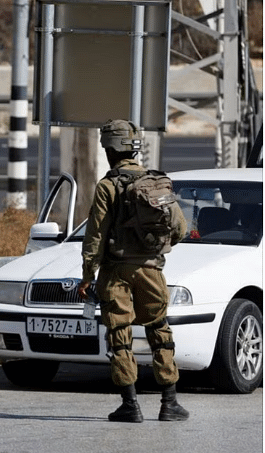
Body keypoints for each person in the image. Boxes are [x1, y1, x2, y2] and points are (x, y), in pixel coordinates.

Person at [78, 119, 189, 423]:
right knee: (159, 331)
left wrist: (88, 275)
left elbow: (95, 237)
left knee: (119, 334)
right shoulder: (158, 182)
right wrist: (153, 250)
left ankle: (131, 406)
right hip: (152, 269)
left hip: (116, 271)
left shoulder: (107, 186)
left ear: (110, 149)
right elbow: (180, 227)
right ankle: (169, 404)